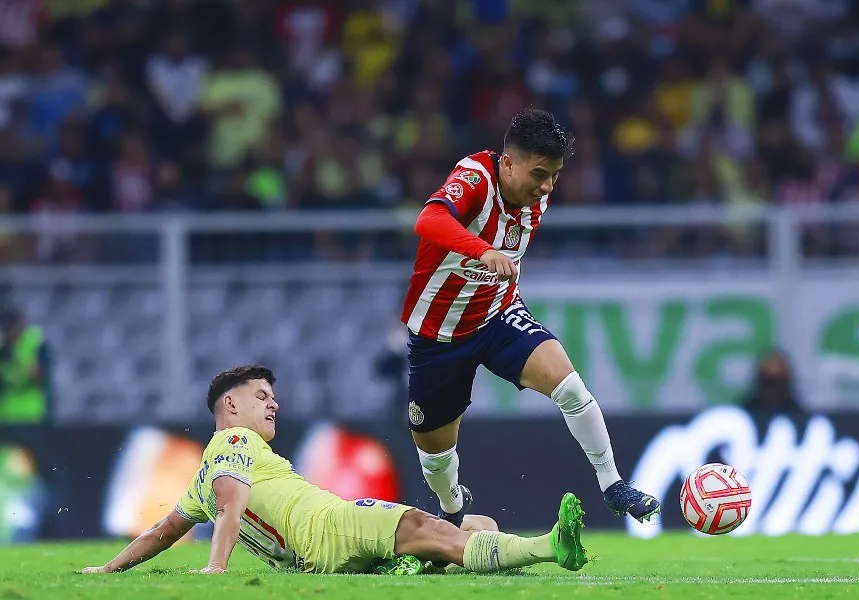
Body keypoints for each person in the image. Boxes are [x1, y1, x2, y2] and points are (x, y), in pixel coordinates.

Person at [400, 109, 660, 535]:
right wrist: (481, 251)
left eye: (554, 175)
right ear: (507, 163)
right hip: (438, 335)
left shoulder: (536, 192)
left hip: (498, 315)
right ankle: (452, 508)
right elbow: (428, 220)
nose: (546, 186)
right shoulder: (476, 177)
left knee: (569, 385)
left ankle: (613, 485)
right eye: (539, 173)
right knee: (435, 454)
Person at [80, 365, 587, 575]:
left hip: (317, 558)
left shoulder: (203, 477)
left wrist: (109, 569)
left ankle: (448, 556)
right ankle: (551, 546)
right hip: (332, 526)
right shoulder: (232, 441)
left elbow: (164, 530)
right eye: (262, 397)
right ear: (229, 406)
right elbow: (231, 504)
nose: (273, 405)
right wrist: (216, 567)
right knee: (424, 527)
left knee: (474, 529)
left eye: (274, 398)